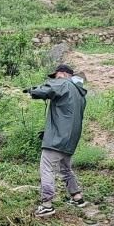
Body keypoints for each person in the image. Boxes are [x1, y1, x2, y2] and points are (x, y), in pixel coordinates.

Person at [25, 64, 88, 218]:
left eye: (56, 76)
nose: (55, 79)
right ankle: (77, 197)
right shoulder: (80, 93)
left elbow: (47, 89)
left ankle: (47, 204)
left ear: (62, 74)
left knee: (46, 167)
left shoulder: (64, 83)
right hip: (70, 139)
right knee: (65, 168)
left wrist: (31, 91)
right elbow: (66, 115)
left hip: (57, 139)